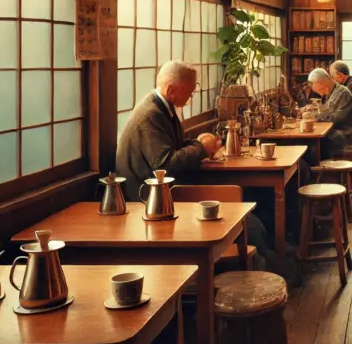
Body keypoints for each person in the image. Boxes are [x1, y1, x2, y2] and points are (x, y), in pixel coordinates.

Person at [116, 61, 278, 272]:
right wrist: (201, 148)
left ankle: (268, 264)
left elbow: (175, 148)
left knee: (253, 203)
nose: (191, 97)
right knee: (249, 223)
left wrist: (198, 144)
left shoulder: (163, 107)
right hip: (150, 201)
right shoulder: (151, 114)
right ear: (172, 89)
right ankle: (265, 270)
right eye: (189, 93)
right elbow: (166, 166)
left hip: (170, 192)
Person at [308, 68, 352, 157]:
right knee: (314, 143)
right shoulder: (333, 92)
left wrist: (314, 117)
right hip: (342, 132)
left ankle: (322, 169)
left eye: (320, 90)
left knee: (315, 146)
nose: (321, 94)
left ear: (323, 83)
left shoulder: (342, 92)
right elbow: (328, 113)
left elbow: (335, 119)